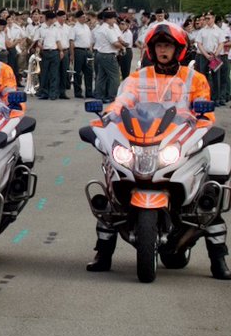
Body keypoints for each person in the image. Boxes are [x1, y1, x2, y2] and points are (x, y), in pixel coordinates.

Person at [86, 21, 228, 280]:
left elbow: (206, 115)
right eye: (159, 45)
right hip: (144, 140)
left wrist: (202, 129)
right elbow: (122, 102)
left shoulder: (194, 78)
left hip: (178, 141)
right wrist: (106, 118)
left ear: (178, 49)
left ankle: (219, 261)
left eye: (168, 45)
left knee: (208, 196)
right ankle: (102, 254)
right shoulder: (137, 78)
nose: (163, 50)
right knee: (111, 194)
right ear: (152, 49)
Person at [71, 11, 95, 99]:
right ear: (78, 18)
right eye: (83, 17)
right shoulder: (74, 28)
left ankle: (89, 92)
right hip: (79, 51)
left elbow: (90, 40)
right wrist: (72, 55)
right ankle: (78, 92)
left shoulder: (86, 27)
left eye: (85, 17)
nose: (85, 18)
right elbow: (72, 42)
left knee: (89, 72)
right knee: (78, 72)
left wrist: (91, 51)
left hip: (88, 51)